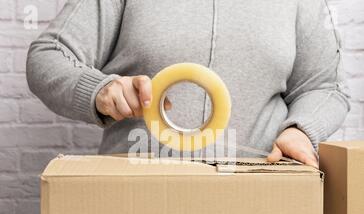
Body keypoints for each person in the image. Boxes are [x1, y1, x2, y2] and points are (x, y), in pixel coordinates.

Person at [26, 0, 350, 167]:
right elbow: (48, 55)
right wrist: (99, 91)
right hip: (133, 199)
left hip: (254, 200)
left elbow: (325, 86)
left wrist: (300, 129)